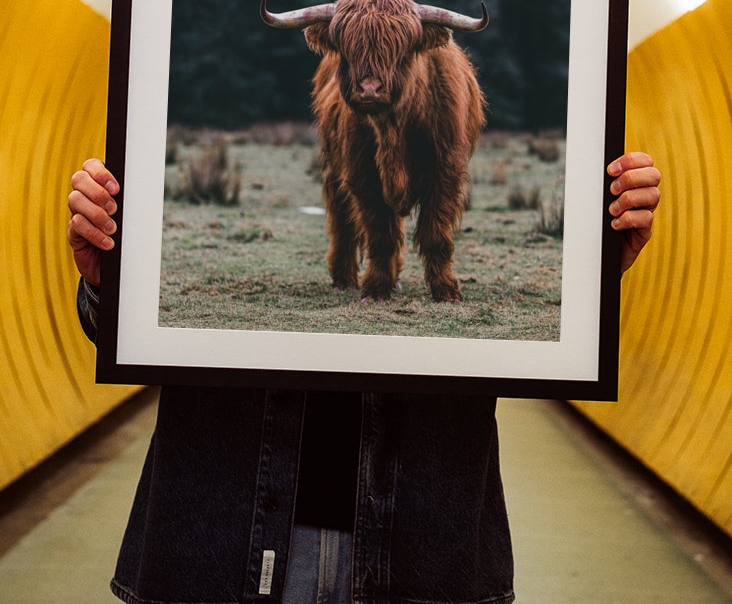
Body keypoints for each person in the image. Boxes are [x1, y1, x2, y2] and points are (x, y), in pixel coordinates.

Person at [68, 152, 661, 604]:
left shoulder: (441, 104)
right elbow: (122, 333)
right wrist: (110, 283)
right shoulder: (338, 120)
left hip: (423, 543)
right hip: (220, 536)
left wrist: (588, 278)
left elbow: (541, 334)